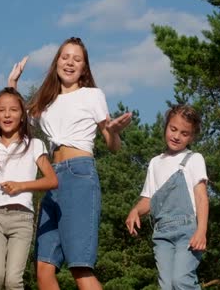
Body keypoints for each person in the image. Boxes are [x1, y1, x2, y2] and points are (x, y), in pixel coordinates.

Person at [8, 37, 132, 290]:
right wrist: (12, 84)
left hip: (79, 176)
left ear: (84, 68)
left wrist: (114, 131)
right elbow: (19, 122)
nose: (70, 63)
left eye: (77, 59)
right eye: (65, 57)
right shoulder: (44, 102)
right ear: (56, 63)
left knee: (79, 266)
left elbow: (113, 145)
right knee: (43, 269)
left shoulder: (92, 95)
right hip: (52, 179)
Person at [0, 87, 58, 290]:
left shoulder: (34, 145)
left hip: (22, 218)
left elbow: (52, 180)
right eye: (1, 110)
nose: (7, 115)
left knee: (12, 281)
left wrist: (21, 186)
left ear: (22, 116)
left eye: (13, 110)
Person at [125, 105, 209, 290]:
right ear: (165, 127)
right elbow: (149, 199)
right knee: (167, 285)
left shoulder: (194, 159)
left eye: (184, 133)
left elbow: (201, 197)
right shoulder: (155, 163)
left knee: (181, 280)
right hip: (161, 233)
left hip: (187, 230)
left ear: (192, 137)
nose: (177, 136)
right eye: (173, 129)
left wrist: (201, 230)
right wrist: (135, 211)